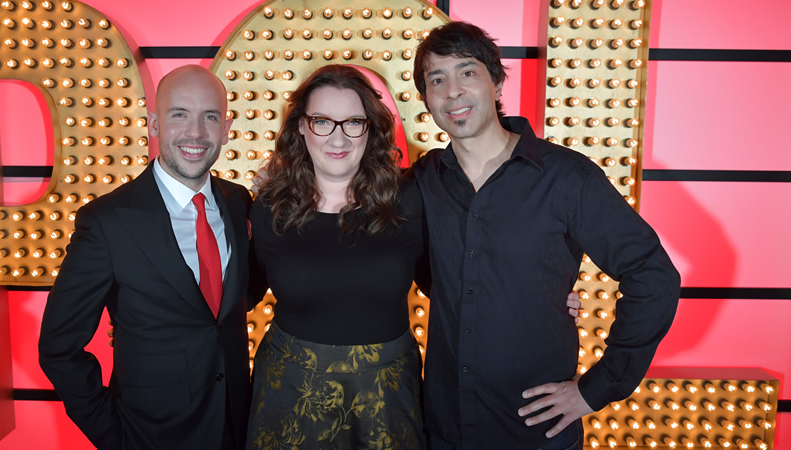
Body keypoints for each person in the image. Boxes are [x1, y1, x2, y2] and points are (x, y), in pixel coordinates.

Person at [410, 22, 681, 449]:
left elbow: (654, 275)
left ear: (496, 82)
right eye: (436, 79)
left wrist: (598, 387)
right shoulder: (423, 181)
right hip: (442, 431)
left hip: (538, 435)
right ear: (426, 98)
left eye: (467, 72)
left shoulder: (567, 177)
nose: (453, 92)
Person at [38, 65, 252, 450]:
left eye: (210, 117)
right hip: (150, 438)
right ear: (154, 124)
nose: (196, 133)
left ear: (227, 127)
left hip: (239, 431)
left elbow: (232, 304)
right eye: (179, 114)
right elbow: (59, 347)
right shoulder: (106, 222)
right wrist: (115, 437)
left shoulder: (239, 203)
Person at [245, 65, 429, 449]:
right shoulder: (268, 207)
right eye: (322, 121)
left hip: (388, 395)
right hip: (290, 391)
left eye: (353, 122)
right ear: (300, 126)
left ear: (370, 129)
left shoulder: (409, 200)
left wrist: (542, 298)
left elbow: (455, 282)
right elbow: (236, 295)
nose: (338, 137)